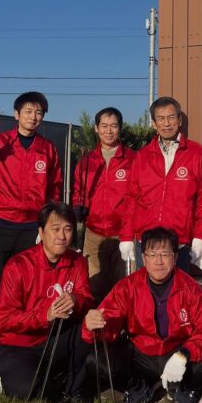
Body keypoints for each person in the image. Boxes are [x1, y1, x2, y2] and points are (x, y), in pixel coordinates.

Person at [0, 91, 63, 370]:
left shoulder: (48, 149)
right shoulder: (0, 142)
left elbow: (54, 188)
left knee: (27, 287)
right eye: (29, 111)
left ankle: (21, 339)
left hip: (31, 228)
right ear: (16, 114)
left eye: (39, 112)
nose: (34, 117)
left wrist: (46, 225)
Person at [83, 227, 202, 403]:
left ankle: (182, 390)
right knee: (96, 362)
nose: (158, 261)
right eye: (152, 253)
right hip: (141, 355)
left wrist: (184, 354)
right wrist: (93, 325)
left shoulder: (191, 289)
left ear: (175, 256)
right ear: (143, 257)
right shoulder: (128, 286)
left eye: (165, 254)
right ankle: (138, 389)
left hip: (176, 353)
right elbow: (109, 320)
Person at [0, 202, 94, 401]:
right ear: (41, 231)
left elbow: (87, 298)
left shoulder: (78, 262)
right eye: (55, 229)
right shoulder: (18, 266)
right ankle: (12, 378)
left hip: (55, 337)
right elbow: (6, 319)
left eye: (68, 229)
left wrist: (76, 299)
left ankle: (73, 390)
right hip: (18, 342)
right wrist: (44, 316)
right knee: (31, 393)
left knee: (90, 326)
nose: (62, 236)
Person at [120, 97, 202, 273]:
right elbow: (131, 199)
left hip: (179, 245)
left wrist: (200, 237)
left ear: (179, 120)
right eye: (161, 118)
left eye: (171, 117)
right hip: (147, 244)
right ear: (154, 123)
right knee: (146, 297)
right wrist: (126, 237)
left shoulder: (197, 154)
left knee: (177, 296)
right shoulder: (142, 156)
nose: (166, 123)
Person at [72, 107, 136, 301]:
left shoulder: (133, 159)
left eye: (114, 126)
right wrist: (77, 207)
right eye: (104, 126)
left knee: (124, 287)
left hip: (124, 235)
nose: (109, 131)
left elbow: (139, 196)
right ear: (96, 129)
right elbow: (78, 192)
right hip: (93, 234)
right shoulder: (86, 161)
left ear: (120, 128)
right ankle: (94, 330)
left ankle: (123, 330)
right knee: (93, 286)